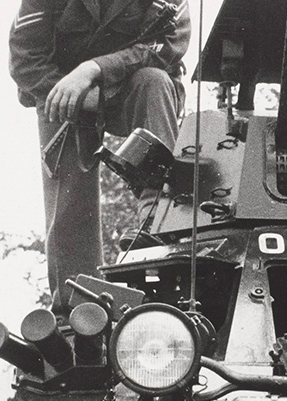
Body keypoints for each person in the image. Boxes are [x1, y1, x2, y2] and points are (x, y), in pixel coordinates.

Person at [10, 0, 191, 316]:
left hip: (132, 83)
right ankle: (78, 305)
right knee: (68, 202)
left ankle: (158, 219)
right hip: (64, 91)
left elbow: (167, 45)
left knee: (155, 82)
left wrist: (94, 69)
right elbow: (26, 61)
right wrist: (77, 91)